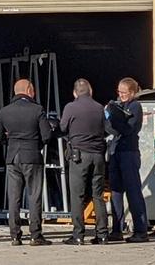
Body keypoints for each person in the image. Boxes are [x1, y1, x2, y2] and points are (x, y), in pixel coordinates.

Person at [0, 79, 52, 246]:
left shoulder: (4, 111)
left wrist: (9, 144)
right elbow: (47, 135)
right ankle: (35, 235)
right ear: (29, 90)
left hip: (12, 158)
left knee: (14, 197)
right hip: (32, 157)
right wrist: (37, 144)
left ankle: (15, 236)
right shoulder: (37, 109)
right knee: (34, 196)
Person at [59, 79, 108, 245]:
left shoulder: (70, 107)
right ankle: (102, 234)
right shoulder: (100, 108)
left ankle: (78, 235)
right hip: (98, 156)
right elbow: (106, 128)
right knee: (98, 195)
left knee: (77, 195)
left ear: (74, 93)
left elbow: (62, 128)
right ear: (91, 91)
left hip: (79, 156)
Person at [106, 77, 149, 243]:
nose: (121, 95)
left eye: (124, 93)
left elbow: (127, 129)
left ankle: (140, 230)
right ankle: (116, 229)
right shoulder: (119, 105)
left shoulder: (135, 106)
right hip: (116, 151)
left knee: (133, 191)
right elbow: (111, 127)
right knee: (115, 191)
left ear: (132, 92)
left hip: (129, 152)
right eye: (119, 92)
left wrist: (113, 119)